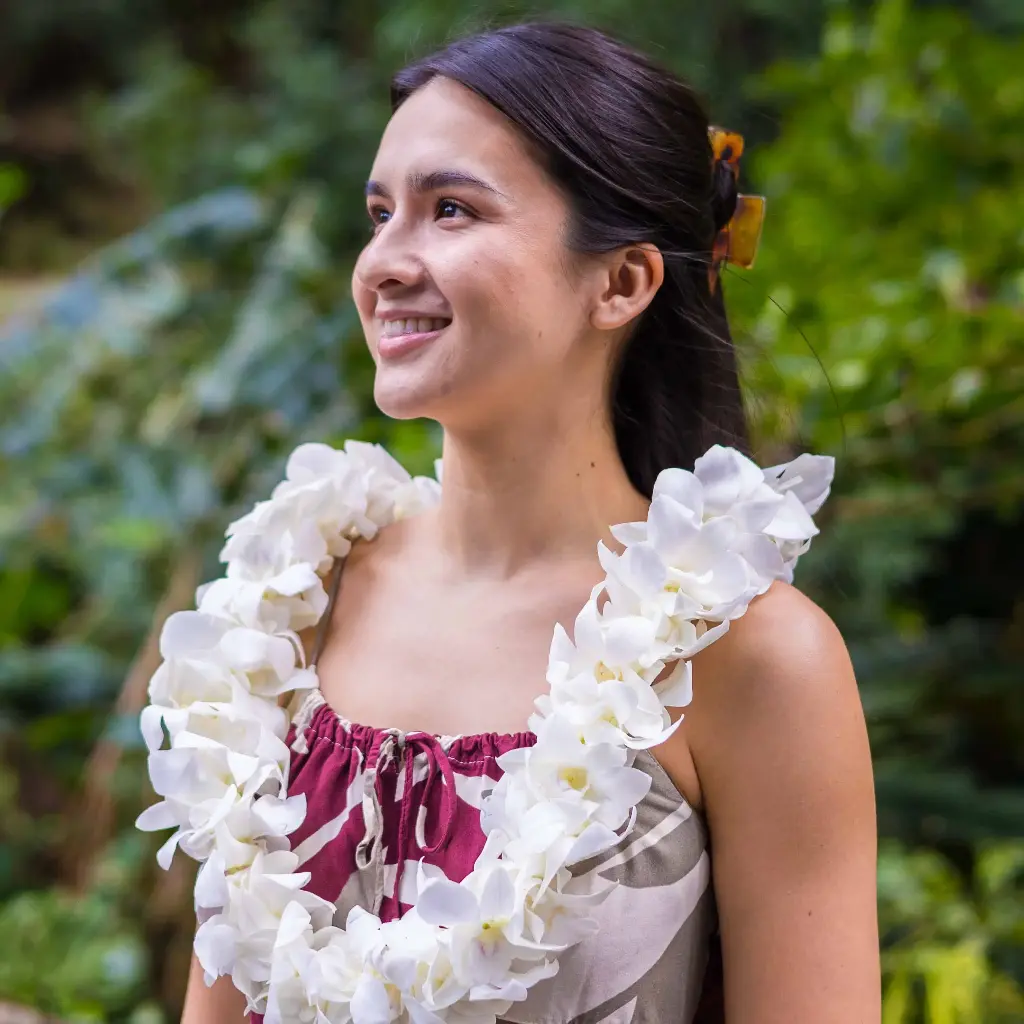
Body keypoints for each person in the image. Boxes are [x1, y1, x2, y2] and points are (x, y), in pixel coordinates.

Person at [174, 20, 878, 1024]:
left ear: (622, 281)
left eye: (449, 209)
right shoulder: (291, 604)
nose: (382, 261)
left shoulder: (751, 658)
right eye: (380, 214)